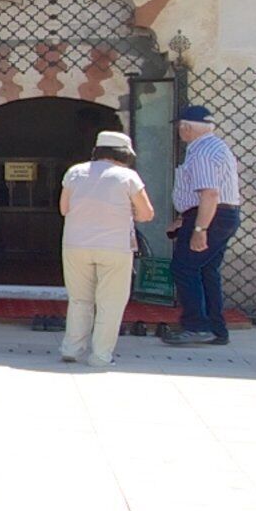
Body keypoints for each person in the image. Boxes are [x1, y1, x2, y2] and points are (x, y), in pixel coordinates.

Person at [57, 129, 154, 367]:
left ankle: (72, 347)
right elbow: (147, 213)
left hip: (75, 244)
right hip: (114, 247)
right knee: (110, 302)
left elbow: (63, 208)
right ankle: (100, 355)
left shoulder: (75, 172)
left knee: (79, 299)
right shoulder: (128, 177)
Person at [168, 104, 240, 347]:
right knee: (207, 271)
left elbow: (209, 193)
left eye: (180, 127)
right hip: (216, 215)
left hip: (210, 217)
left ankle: (196, 326)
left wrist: (200, 229)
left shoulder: (201, 152)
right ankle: (216, 329)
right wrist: (185, 218)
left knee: (184, 268)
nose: (180, 132)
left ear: (186, 127)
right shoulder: (216, 146)